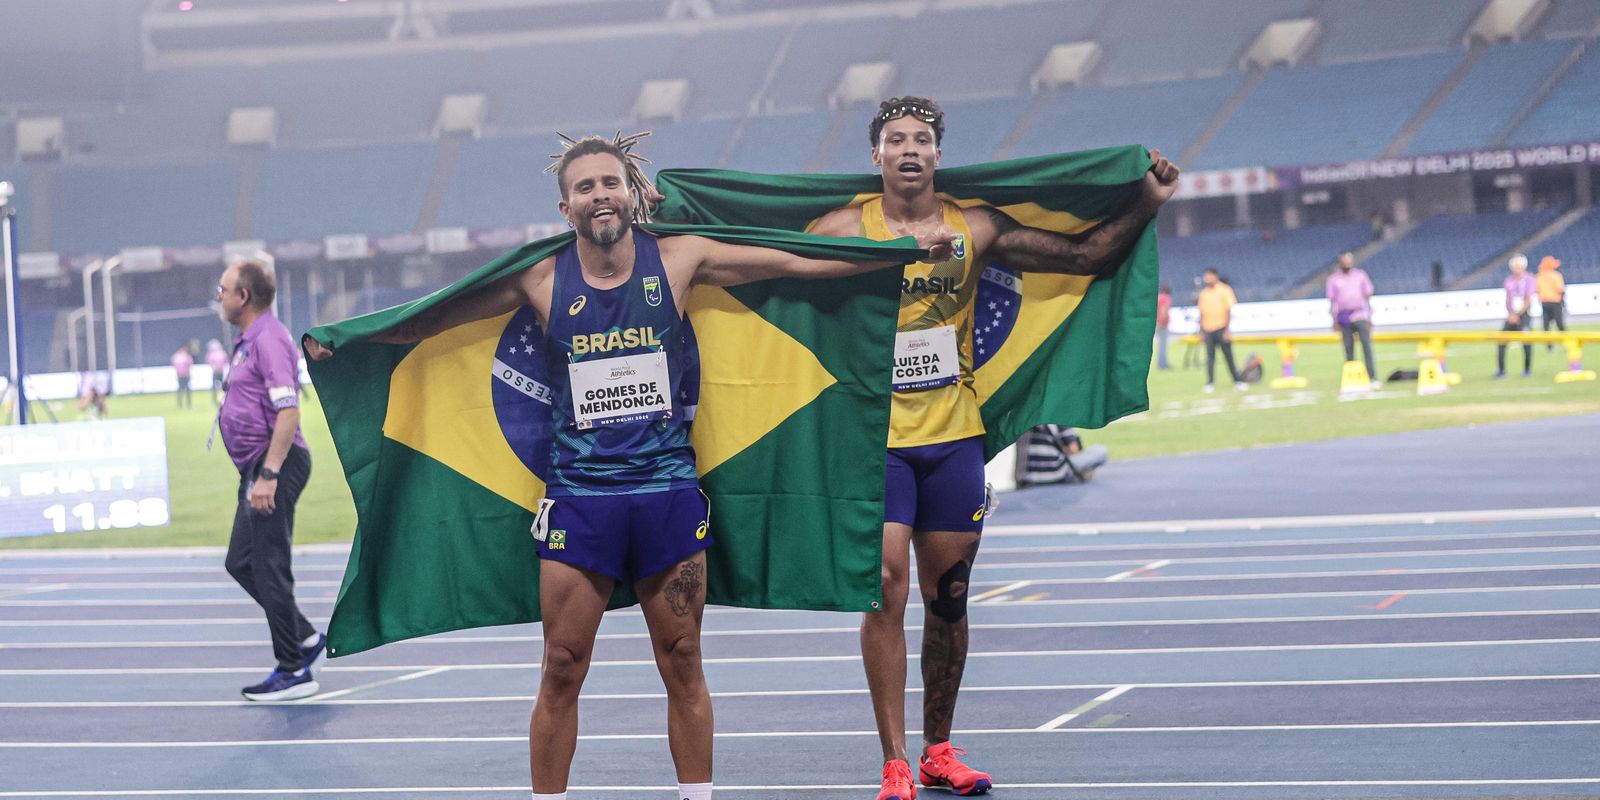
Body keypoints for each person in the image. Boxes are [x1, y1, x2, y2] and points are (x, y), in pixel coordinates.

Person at [307, 134, 953, 800]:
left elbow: (791, 261)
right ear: (566, 209)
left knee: (683, 661)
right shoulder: (542, 278)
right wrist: (348, 341)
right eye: (584, 188)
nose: (599, 196)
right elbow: (436, 317)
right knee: (561, 667)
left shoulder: (678, 259)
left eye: (609, 183)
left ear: (632, 193)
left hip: (668, 494)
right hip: (581, 501)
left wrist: (893, 254)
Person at [806, 96, 1178, 800]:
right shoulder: (842, 228)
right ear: (876, 156)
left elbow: (1086, 255)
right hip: (874, 442)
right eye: (895, 139)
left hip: (952, 439)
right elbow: (757, 265)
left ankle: (938, 751)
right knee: (885, 586)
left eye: (921, 139)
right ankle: (892, 762)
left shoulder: (974, 227)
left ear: (938, 154)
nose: (909, 149)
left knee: (949, 598)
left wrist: (1147, 202)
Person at [215, 258, 324, 702]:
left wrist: (270, 474)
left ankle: (293, 670)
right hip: (259, 465)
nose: (218, 296)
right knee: (241, 562)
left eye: (222, 289)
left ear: (243, 296)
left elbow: (289, 410)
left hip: (274, 464)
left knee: (268, 566)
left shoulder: (269, 339)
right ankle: (303, 637)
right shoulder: (249, 340)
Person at [1326, 252, 1379, 389]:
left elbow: (1367, 297)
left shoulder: (1360, 276)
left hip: (1359, 314)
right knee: (1348, 348)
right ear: (1340, 262)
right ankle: (1352, 378)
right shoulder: (1333, 279)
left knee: (1366, 346)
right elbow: (1332, 302)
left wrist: (1369, 317)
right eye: (1344, 261)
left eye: (1348, 260)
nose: (1346, 263)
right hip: (1343, 317)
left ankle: (1372, 377)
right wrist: (1334, 320)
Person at [1198, 268, 1245, 393]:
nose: (1206, 279)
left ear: (1215, 276)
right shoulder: (1204, 293)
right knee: (1209, 357)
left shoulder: (1225, 290)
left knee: (1228, 356)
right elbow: (1202, 312)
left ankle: (1238, 381)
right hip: (1208, 329)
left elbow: (1229, 310)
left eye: (1208, 276)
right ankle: (1210, 383)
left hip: (1221, 328)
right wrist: (1201, 331)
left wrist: (1227, 330)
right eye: (1205, 276)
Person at [1016, 425, 1108, 486]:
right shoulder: (1059, 414)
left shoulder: (1023, 417)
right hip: (1055, 474)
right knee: (1100, 450)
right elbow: (1073, 449)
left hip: (1024, 477)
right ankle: (1081, 473)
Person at [1496, 254, 1537, 378]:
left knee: (1527, 341)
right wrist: (1511, 314)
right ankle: (1501, 370)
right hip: (1511, 316)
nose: (1516, 269)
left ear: (1523, 266)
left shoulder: (1529, 279)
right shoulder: (1509, 280)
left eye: (1518, 266)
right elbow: (1508, 299)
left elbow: (1528, 299)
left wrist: (1518, 314)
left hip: (1524, 316)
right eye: (1514, 266)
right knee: (1501, 340)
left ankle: (1527, 369)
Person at [1537, 255, 1566, 351]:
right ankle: (1565, 344)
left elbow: (1537, 290)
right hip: (1555, 302)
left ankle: (1549, 347)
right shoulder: (1556, 275)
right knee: (1560, 324)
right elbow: (1560, 289)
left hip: (1545, 303)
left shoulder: (1539, 276)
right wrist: (1563, 303)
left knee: (1546, 326)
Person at [1155, 284, 1173, 370]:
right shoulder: (1166, 298)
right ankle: (1162, 364)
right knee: (1163, 345)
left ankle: (1162, 363)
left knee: (1160, 345)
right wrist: (1162, 322)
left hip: (1156, 323)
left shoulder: (1158, 297)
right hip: (1162, 324)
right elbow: (1164, 310)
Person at [205, 338, 229, 404]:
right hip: (217, 371)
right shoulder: (217, 354)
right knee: (216, 387)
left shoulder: (217, 354)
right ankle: (216, 399)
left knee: (221, 387)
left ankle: (220, 398)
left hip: (219, 372)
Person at [172, 345, 195, 409]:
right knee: (182, 390)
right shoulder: (186, 357)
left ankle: (187, 404)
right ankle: (181, 404)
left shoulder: (178, 357)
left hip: (185, 375)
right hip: (182, 375)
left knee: (186, 390)